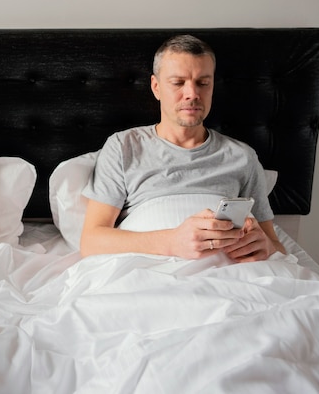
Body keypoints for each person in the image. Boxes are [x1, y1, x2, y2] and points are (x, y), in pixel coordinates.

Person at [80, 34, 285, 262]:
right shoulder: (123, 147)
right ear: (156, 87)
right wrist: (173, 242)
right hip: (149, 270)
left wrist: (265, 245)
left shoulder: (242, 156)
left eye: (203, 83)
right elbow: (91, 241)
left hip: (230, 273)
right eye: (178, 83)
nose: (192, 94)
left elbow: (277, 247)